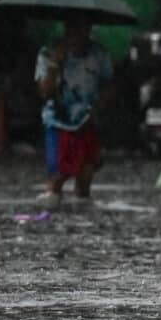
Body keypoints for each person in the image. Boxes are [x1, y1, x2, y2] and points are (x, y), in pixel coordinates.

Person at [34, 12, 114, 204]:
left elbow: (109, 84)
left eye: (84, 27)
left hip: (87, 120)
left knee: (86, 173)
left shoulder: (99, 54)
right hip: (58, 120)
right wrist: (55, 65)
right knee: (58, 174)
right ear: (66, 28)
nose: (79, 33)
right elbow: (45, 92)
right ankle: (52, 200)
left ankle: (82, 202)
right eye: (74, 27)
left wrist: (99, 107)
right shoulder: (48, 52)